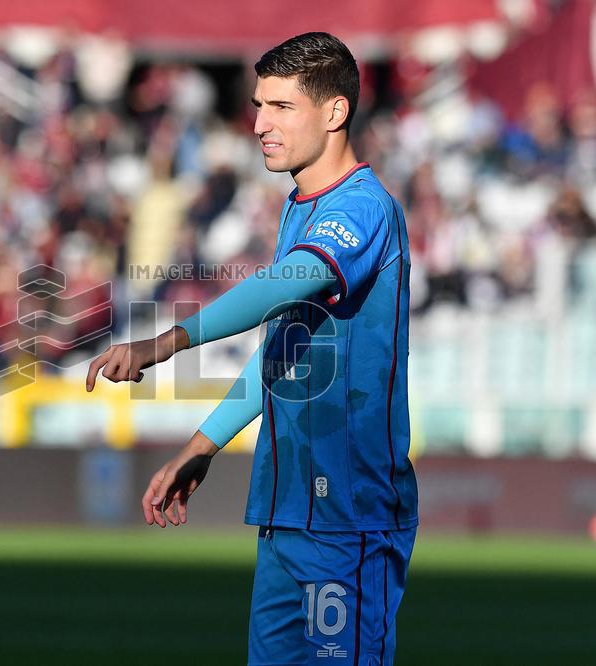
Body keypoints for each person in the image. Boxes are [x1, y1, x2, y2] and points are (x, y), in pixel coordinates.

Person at [85, 32, 418, 665]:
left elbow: (279, 286)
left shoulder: (364, 207)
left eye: (281, 107)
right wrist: (200, 447)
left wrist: (165, 343)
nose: (260, 122)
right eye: (259, 105)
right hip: (288, 510)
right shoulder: (301, 208)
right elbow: (289, 354)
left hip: (348, 517)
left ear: (335, 112)